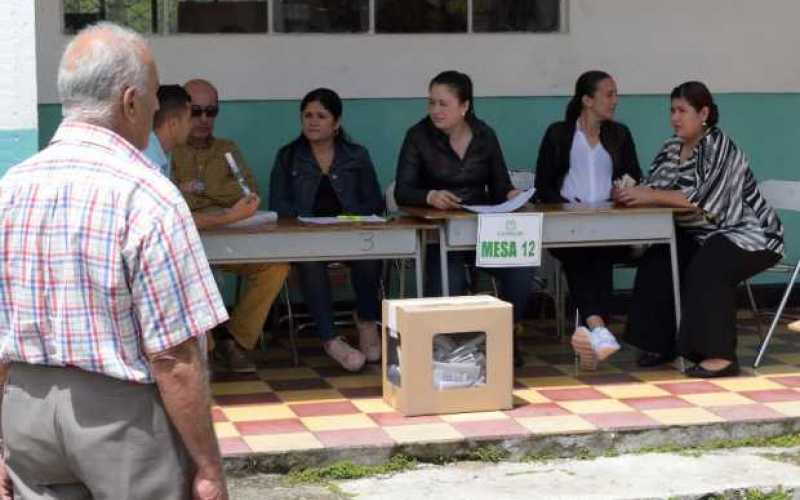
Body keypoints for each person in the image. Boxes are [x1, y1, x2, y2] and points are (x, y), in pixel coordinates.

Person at [0, 23, 229, 499]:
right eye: (150, 99)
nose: (153, 111)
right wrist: (208, 465)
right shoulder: (148, 195)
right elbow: (175, 356)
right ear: (129, 101)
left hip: (26, 413)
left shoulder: (10, 190)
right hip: (121, 420)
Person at [615, 81, 783, 378]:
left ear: (703, 113)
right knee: (659, 259)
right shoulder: (671, 147)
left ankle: (720, 356)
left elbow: (701, 200)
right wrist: (630, 192)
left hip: (748, 234)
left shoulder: (719, 146)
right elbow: (653, 184)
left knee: (708, 268)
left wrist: (649, 195)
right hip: (701, 233)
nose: (674, 118)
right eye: (672, 110)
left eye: (682, 110)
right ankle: (659, 343)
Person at [394, 70, 536, 364]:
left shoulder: (484, 135)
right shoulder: (418, 136)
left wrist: (513, 196)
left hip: (483, 229)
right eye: (431, 103)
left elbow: (499, 186)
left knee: (521, 267)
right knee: (450, 279)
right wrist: (430, 196)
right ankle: (456, 346)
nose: (435, 110)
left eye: (443, 104)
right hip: (441, 231)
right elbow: (403, 190)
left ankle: (505, 335)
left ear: (464, 106)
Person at [172, 78, 289, 373]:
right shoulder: (169, 147)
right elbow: (168, 197)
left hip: (231, 235)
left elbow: (248, 193)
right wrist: (218, 196)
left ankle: (235, 342)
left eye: (211, 112)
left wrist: (198, 191)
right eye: (196, 111)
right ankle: (208, 348)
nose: (203, 120)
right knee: (189, 270)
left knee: (275, 267)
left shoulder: (227, 149)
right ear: (183, 112)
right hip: (191, 241)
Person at [270, 88, 384, 372]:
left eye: (321, 116)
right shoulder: (288, 156)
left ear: (336, 123)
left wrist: (351, 219)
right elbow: (278, 204)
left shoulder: (356, 155)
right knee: (310, 262)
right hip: (307, 237)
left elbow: (374, 201)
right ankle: (330, 339)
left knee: (369, 257)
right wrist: (301, 222)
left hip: (350, 234)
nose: (313, 121)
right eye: (307, 115)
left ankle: (367, 321)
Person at [534, 70, 642, 370]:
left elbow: (635, 176)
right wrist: (567, 206)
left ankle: (594, 333)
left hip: (610, 223)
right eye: (609, 94)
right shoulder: (559, 134)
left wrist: (624, 189)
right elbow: (543, 184)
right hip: (567, 224)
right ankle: (598, 326)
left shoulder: (620, 134)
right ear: (586, 99)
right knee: (579, 253)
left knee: (600, 253)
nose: (615, 101)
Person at [142, 84, 192, 177]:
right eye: (189, 119)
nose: (191, 125)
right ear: (173, 124)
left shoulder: (162, 150)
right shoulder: (149, 162)